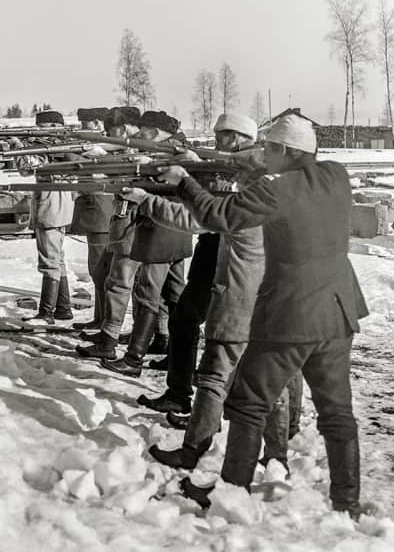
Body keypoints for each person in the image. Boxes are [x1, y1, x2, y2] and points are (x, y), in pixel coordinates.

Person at [156, 114, 368, 517]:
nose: (263, 155)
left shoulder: (275, 193)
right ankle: (348, 503)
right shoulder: (335, 175)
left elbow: (218, 216)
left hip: (291, 316)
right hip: (338, 313)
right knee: (337, 413)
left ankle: (232, 492)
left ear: (285, 152)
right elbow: (289, 167)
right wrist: (259, 159)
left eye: (270, 148)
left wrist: (184, 181)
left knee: (249, 404)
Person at [124, 113, 298, 470]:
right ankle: (277, 456)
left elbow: (195, 218)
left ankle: (193, 451)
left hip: (239, 301)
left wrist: (148, 198)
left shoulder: (249, 205)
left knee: (214, 375)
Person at [79, 111, 190, 369]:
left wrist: (138, 171)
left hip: (158, 228)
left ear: (151, 132)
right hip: (169, 229)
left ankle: (129, 353)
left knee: (142, 290)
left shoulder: (173, 153)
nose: (138, 135)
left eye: (141, 131)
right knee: (166, 293)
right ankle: (162, 341)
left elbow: (169, 186)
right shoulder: (173, 149)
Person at [24, 110, 76, 326]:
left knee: (49, 260)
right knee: (57, 259)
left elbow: (26, 169)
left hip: (51, 208)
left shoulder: (54, 148)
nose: (39, 130)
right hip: (59, 207)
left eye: (42, 127)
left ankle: (47, 312)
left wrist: (22, 149)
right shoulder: (61, 147)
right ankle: (63, 308)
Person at [67, 107, 113, 331]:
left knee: (100, 270)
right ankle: (100, 316)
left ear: (96, 124)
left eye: (85, 123)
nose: (81, 127)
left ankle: (105, 319)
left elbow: (84, 165)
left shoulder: (103, 147)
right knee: (96, 270)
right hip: (95, 212)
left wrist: (70, 153)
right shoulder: (93, 145)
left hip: (101, 214)